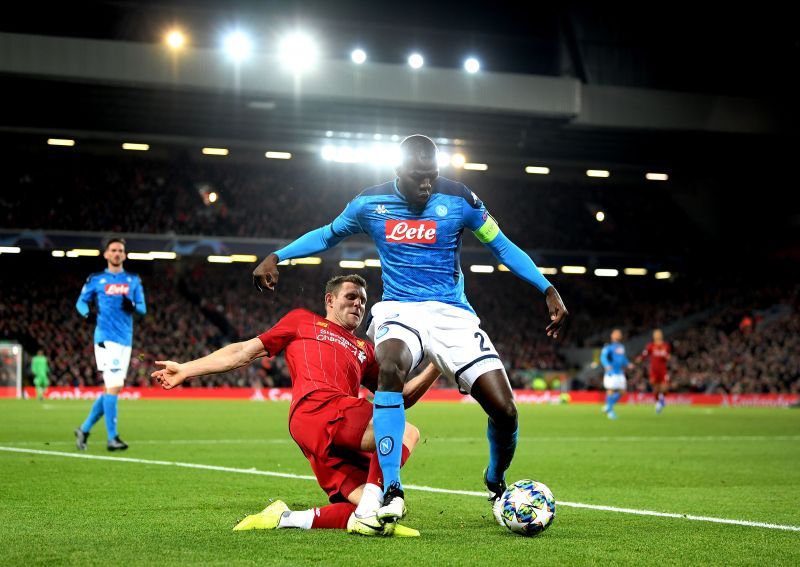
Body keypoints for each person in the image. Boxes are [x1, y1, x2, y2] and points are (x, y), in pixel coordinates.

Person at [252, 134, 568, 526]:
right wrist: (277, 256)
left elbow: (502, 246)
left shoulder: (461, 201)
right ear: (398, 172)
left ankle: (495, 480)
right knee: (388, 366)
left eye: (432, 176)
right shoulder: (369, 203)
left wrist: (547, 286)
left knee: (505, 411)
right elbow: (327, 234)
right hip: (400, 309)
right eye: (418, 177)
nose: (426, 185)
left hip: (453, 314)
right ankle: (392, 488)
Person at [152, 275, 440, 537]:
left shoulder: (365, 349)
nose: (358, 304)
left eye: (363, 300)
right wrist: (187, 369)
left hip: (331, 427)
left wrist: (436, 367)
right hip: (318, 407)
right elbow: (243, 351)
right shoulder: (302, 321)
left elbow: (398, 399)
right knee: (405, 432)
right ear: (330, 300)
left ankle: (284, 518)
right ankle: (380, 501)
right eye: (350, 296)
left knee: (371, 505)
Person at [74, 238, 147, 451]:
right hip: (105, 338)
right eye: (113, 250)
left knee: (111, 389)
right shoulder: (96, 279)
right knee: (114, 387)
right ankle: (112, 438)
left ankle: (84, 429)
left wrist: (131, 304)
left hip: (126, 339)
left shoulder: (133, 280)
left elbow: (142, 309)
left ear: (124, 255)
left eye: (120, 251)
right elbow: (80, 302)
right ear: (106, 254)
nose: (117, 253)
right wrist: (87, 314)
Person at [600, 329, 633, 420]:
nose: (618, 334)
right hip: (611, 373)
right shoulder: (608, 347)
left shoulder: (621, 347)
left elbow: (623, 358)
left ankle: (608, 406)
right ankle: (610, 411)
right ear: (612, 336)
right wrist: (606, 365)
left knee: (622, 391)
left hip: (620, 372)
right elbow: (603, 357)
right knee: (610, 390)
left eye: (619, 333)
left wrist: (628, 364)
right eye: (616, 333)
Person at [638, 329, 671, 414]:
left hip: (663, 370)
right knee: (656, 389)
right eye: (656, 334)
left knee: (664, 388)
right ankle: (658, 404)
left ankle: (662, 400)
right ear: (654, 336)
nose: (658, 335)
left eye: (659, 334)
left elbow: (668, 356)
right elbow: (645, 354)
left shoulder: (666, 345)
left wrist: (667, 357)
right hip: (654, 370)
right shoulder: (651, 346)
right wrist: (640, 358)